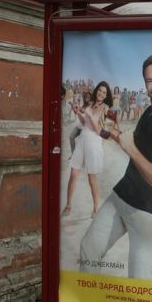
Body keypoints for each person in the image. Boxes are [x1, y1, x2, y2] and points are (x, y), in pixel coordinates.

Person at [80, 53, 152, 279]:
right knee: (88, 251)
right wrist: (114, 133)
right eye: (150, 81)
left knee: (139, 282)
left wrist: (129, 148)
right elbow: (135, 143)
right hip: (122, 195)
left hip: (147, 213)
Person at [63, 81, 112, 218]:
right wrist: (78, 113)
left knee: (92, 179)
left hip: (94, 143)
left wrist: (89, 115)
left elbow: (101, 131)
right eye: (100, 90)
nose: (101, 93)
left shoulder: (106, 108)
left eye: (104, 92)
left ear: (106, 95)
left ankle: (96, 208)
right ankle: (68, 205)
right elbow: (85, 123)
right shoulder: (90, 104)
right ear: (96, 91)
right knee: (73, 174)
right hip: (83, 140)